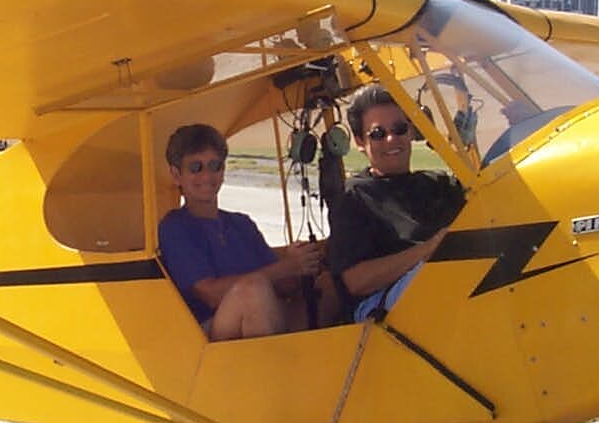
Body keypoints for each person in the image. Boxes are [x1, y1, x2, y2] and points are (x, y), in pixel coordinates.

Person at [158, 123, 325, 340]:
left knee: (331, 285)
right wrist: (286, 266)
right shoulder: (176, 227)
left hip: (264, 318)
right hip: (208, 337)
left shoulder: (241, 224)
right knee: (251, 292)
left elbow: (282, 284)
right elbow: (211, 295)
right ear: (176, 174)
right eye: (196, 167)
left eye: (215, 166)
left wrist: (304, 264)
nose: (207, 175)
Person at [328, 84, 466, 321]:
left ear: (411, 132)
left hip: (441, 291)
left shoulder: (439, 183)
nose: (391, 139)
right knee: (438, 276)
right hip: (380, 310)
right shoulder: (354, 196)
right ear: (360, 142)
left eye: (399, 129)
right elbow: (356, 281)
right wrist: (429, 250)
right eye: (378, 134)